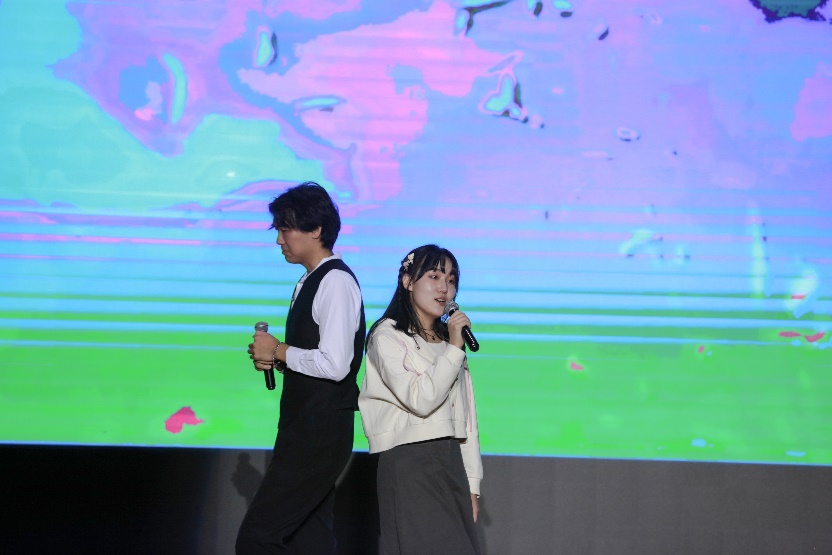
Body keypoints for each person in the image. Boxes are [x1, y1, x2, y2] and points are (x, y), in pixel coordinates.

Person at [237, 182, 366, 555]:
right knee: (310, 540)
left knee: (256, 539)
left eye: (285, 229)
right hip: (304, 426)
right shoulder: (309, 280)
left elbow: (336, 364)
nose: (279, 240)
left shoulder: (335, 281)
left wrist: (279, 349)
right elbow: (314, 358)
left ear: (316, 229)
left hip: (319, 431)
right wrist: (278, 358)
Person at [358, 244, 483, 555]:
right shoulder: (387, 335)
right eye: (434, 276)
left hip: (450, 463)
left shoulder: (449, 343)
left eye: (451, 279)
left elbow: (467, 419)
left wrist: (472, 483)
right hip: (410, 462)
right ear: (408, 281)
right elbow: (421, 399)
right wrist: (454, 349)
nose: (444, 288)